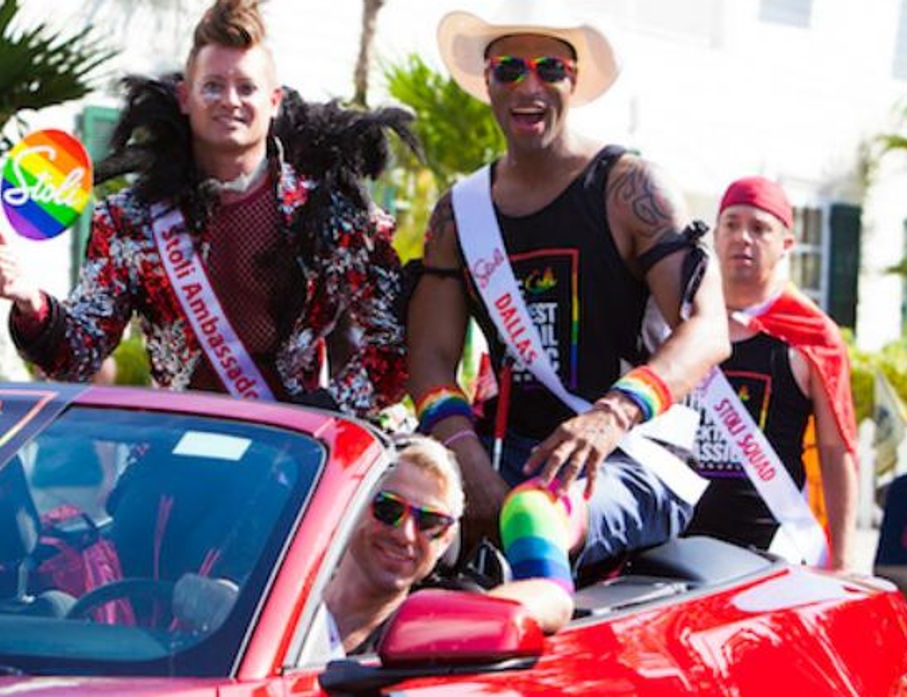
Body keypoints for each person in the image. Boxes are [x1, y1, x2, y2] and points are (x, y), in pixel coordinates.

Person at [407, 0, 730, 606]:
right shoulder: (459, 212)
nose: (529, 87)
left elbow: (709, 330)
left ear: (573, 81)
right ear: (488, 83)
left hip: (633, 453)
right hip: (502, 452)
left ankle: (537, 620)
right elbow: (429, 359)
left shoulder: (630, 187)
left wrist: (610, 416)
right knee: (388, 502)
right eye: (509, 69)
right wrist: (466, 461)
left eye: (550, 69)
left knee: (532, 510)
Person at [0, 0, 410, 418]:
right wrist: (31, 304)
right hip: (175, 454)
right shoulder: (132, 220)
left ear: (275, 101)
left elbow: (393, 347)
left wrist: (323, 415)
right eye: (213, 86)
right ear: (185, 97)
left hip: (294, 456)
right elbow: (76, 356)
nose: (230, 100)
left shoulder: (329, 214)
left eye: (247, 87)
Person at [685, 176, 858, 569]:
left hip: (772, 548)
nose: (742, 238)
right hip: (676, 540)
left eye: (759, 228)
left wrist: (843, 561)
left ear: (786, 244)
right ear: (716, 235)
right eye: (731, 224)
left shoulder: (812, 336)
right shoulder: (682, 318)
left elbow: (836, 449)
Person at [323, 436, 570, 655]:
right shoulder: (298, 580)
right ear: (352, 505)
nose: (405, 535)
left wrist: (456, 620)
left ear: (446, 540)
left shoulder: (433, 625)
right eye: (389, 508)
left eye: (430, 522)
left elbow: (555, 599)